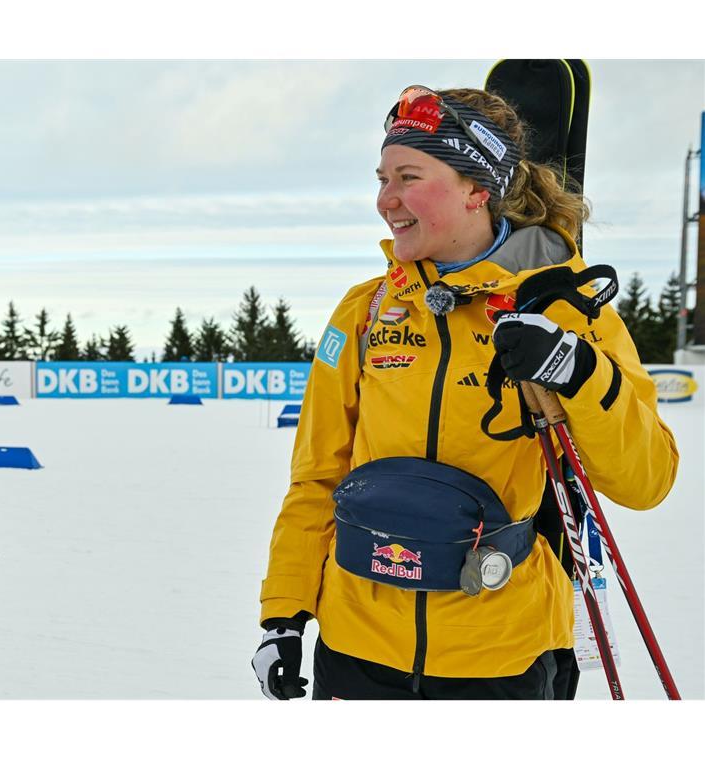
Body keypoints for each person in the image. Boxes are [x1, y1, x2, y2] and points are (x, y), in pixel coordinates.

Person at [251, 86, 679, 700]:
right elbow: (319, 477)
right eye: (381, 178)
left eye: (408, 176)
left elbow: (647, 480)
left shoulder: (566, 310)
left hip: (503, 655)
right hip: (356, 650)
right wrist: (285, 614)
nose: (385, 201)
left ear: (477, 190)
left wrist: (579, 371)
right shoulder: (364, 312)